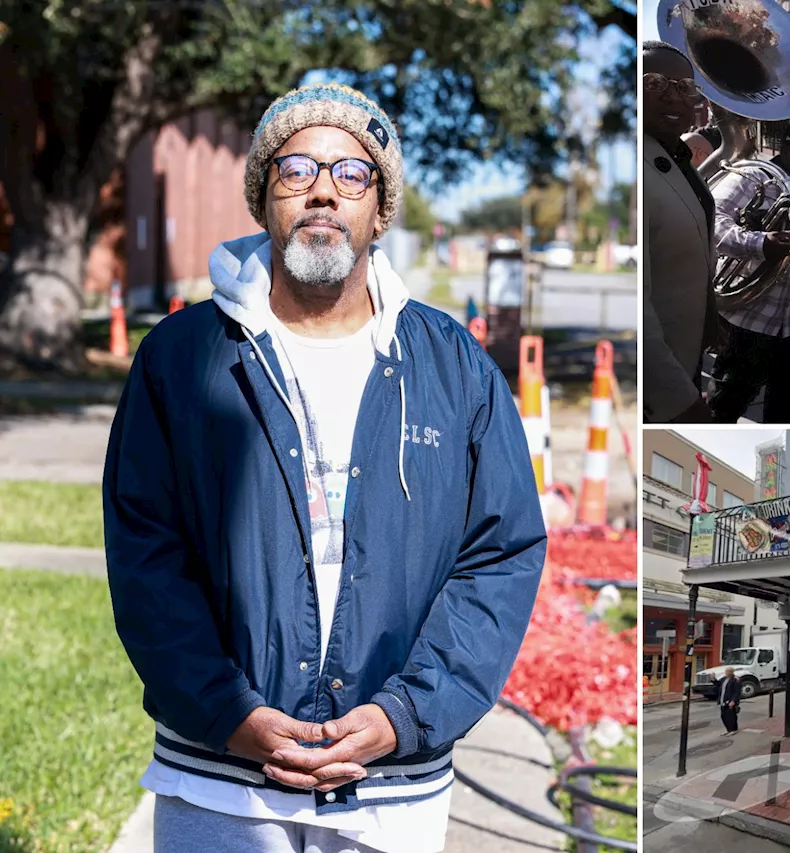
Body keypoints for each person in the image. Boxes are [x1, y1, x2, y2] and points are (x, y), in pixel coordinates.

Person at [102, 83, 546, 853]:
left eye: (352, 173)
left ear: (381, 209)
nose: (322, 191)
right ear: (262, 196)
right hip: (218, 782)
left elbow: (500, 555)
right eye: (296, 167)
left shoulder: (454, 369)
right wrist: (226, 710)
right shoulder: (179, 360)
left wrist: (402, 715)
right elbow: (146, 553)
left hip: (393, 791)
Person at [708, 122, 790, 423]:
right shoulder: (755, 178)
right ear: (787, 151)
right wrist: (757, 243)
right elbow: (711, 220)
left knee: (785, 415)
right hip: (746, 324)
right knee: (723, 408)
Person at [642, 41, 717, 423]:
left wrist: (712, 316)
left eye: (684, 87)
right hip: (658, 387)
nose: (674, 97)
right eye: (655, 84)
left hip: (686, 355)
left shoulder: (675, 158)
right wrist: (679, 400)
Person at [719, 668, 742, 736]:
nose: (726, 672)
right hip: (723, 700)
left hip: (730, 701)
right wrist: (713, 679)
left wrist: (733, 701)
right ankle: (728, 729)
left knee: (731, 716)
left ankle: (733, 729)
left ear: (731, 672)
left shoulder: (735, 680)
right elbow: (718, 685)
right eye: (726, 671)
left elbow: (737, 691)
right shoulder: (724, 679)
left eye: (728, 671)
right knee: (723, 716)